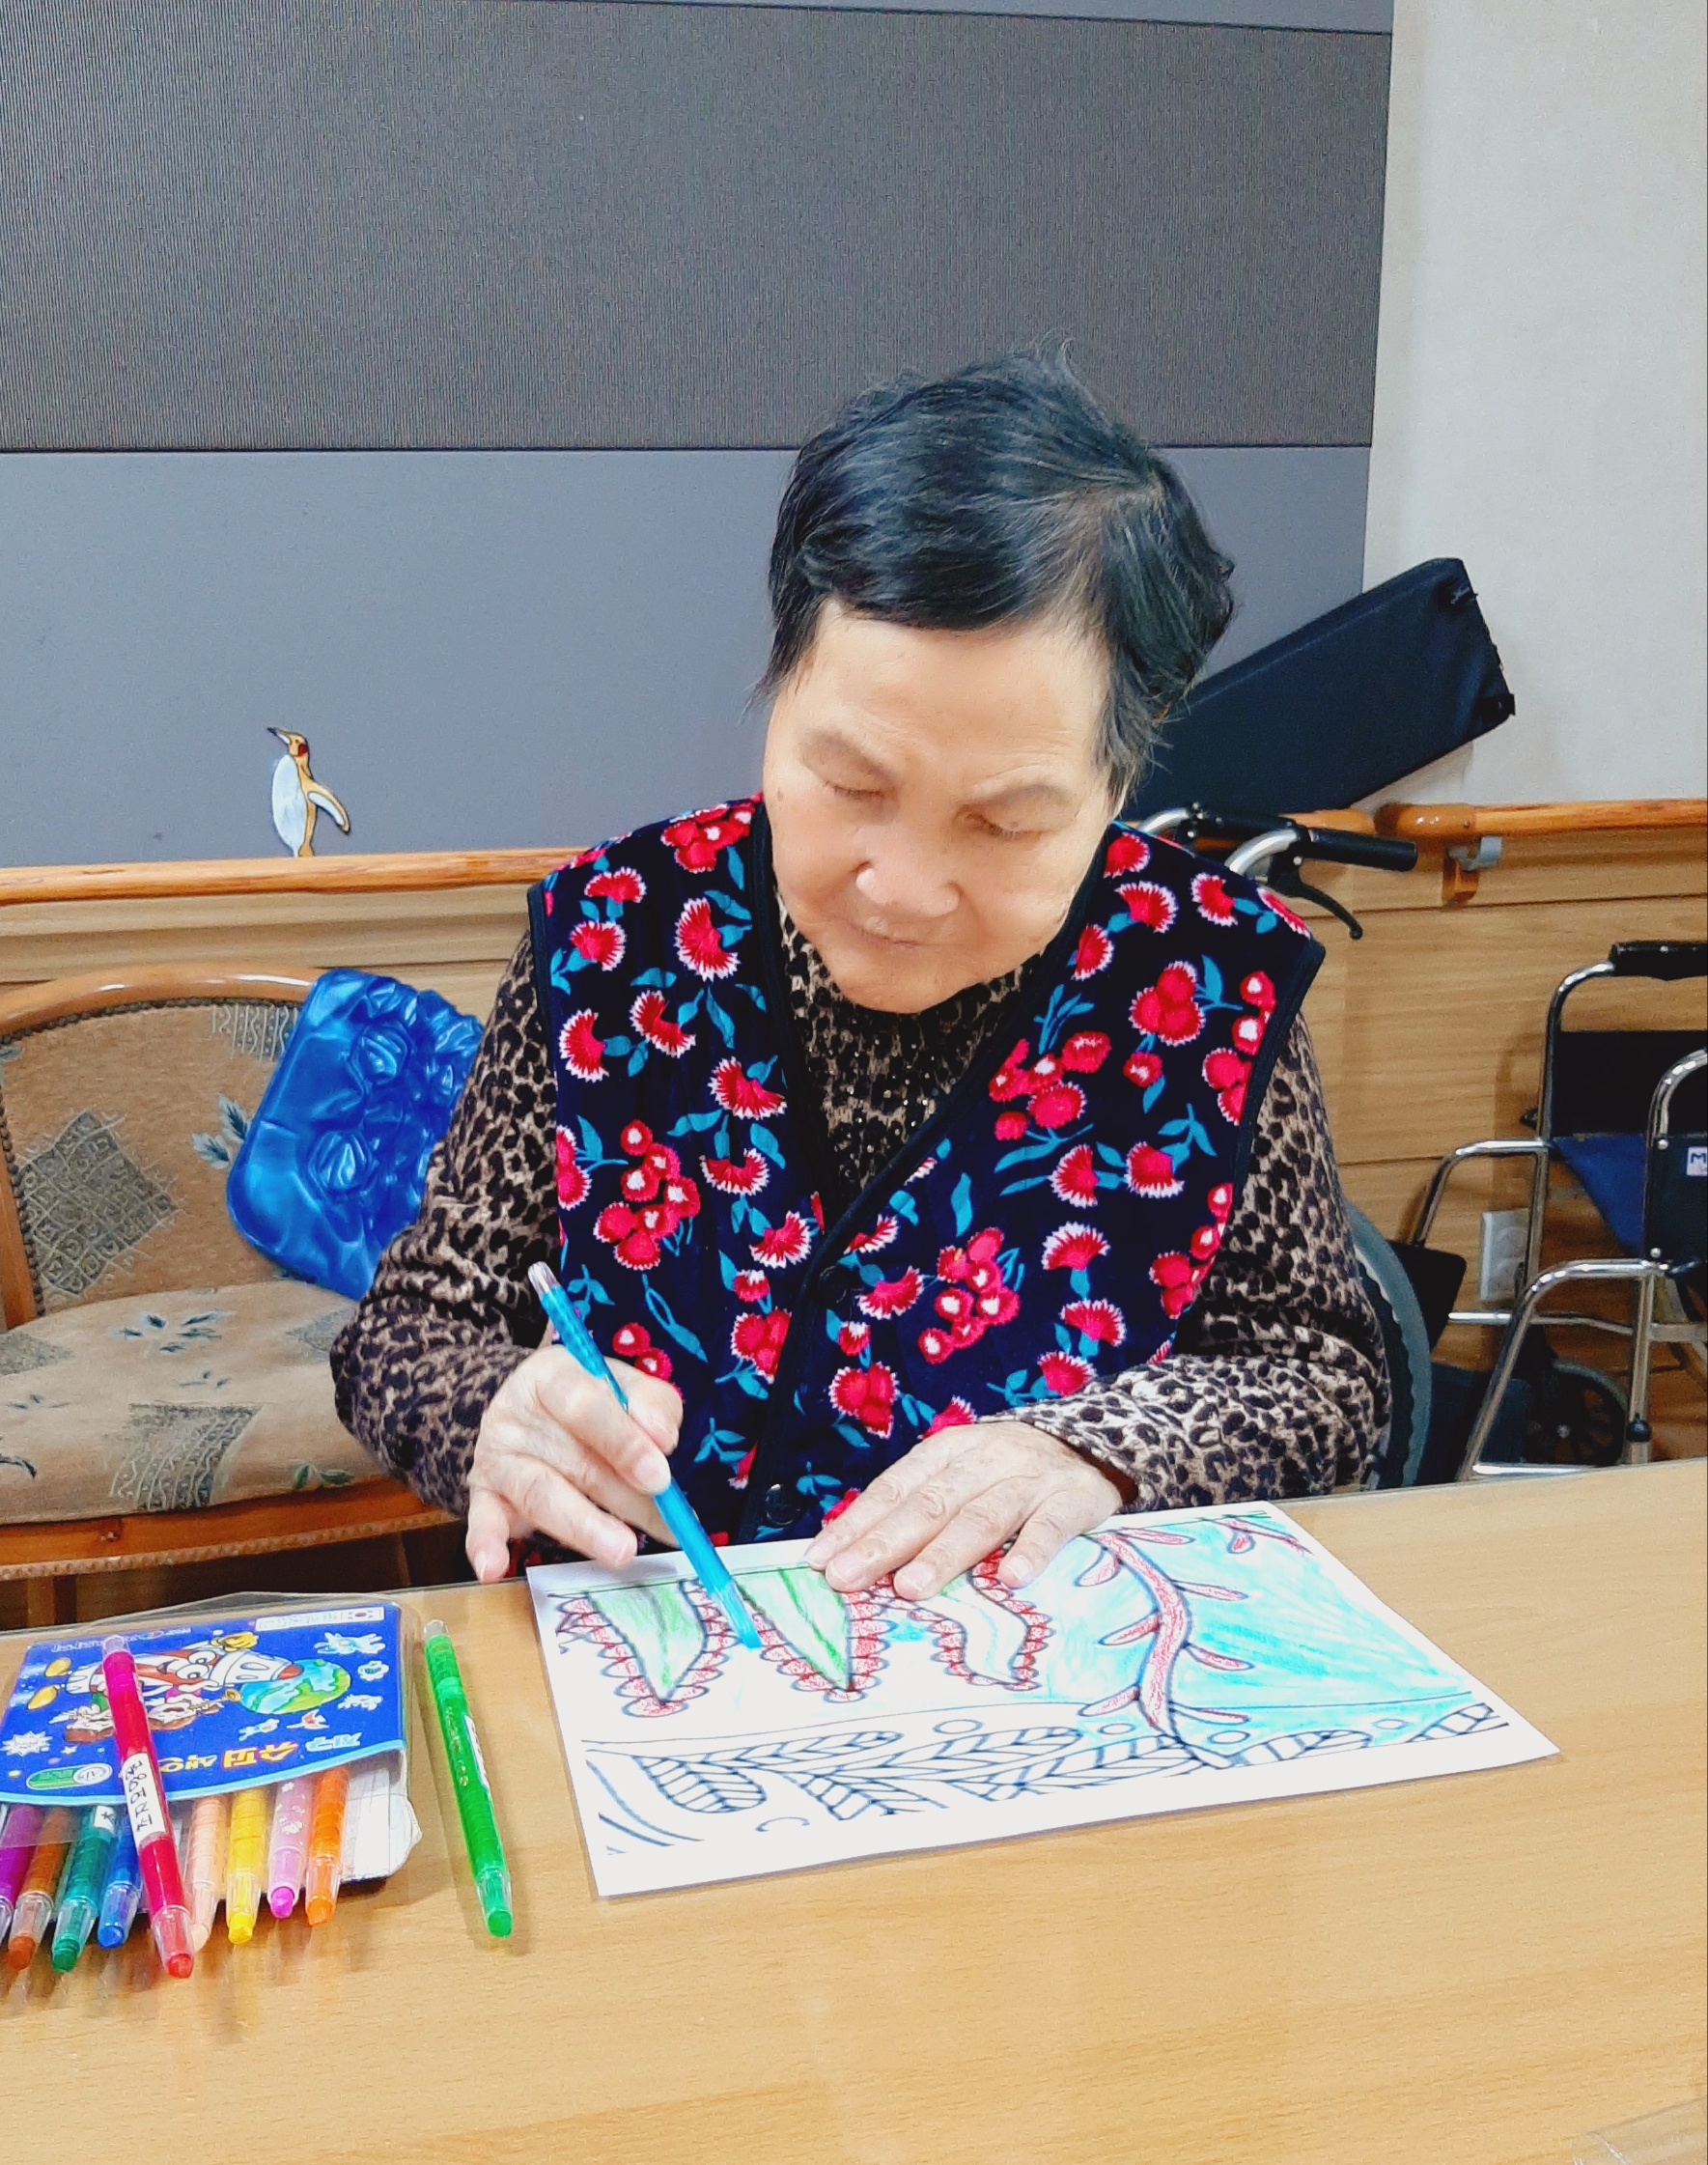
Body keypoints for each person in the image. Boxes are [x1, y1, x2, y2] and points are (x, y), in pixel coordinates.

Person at [331, 354, 1387, 1599]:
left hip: (1019, 1675)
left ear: (1118, 785)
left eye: (1004, 824)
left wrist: (1096, 1448)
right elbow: (407, 1329)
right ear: (779, 689)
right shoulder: (618, 936)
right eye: (850, 784)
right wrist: (494, 1414)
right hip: (650, 1655)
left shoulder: (1202, 985)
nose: (903, 888)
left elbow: (1328, 1376)